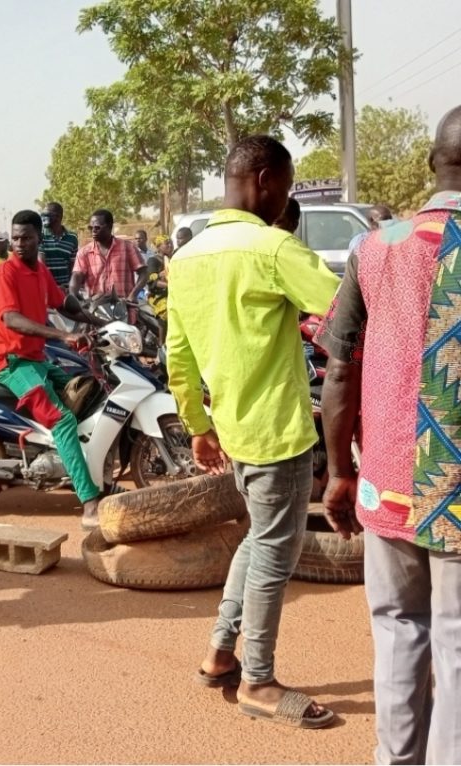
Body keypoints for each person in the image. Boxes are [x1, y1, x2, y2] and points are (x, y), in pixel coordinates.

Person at [168, 135, 341, 728]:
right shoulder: (271, 249)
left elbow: (179, 353)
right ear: (266, 180)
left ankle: (221, 654)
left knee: (256, 540)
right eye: (288, 188)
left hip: (232, 428)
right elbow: (346, 309)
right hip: (279, 431)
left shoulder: (186, 257)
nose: (285, 199)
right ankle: (259, 681)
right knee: (274, 552)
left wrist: (197, 424)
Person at [317, 106, 461, 764]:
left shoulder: (380, 239)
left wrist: (341, 472)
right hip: (455, 488)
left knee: (398, 629)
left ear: (432, 165)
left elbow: (340, 366)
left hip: (387, 478)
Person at [0, 210, 104, 529]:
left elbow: (62, 302)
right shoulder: (5, 273)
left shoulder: (39, 269)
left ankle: (81, 468)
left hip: (36, 358)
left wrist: (99, 322)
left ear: (39, 237)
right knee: (63, 419)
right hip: (11, 362)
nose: (19, 244)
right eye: (15, 238)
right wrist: (64, 334)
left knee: (87, 397)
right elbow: (11, 319)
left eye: (25, 238)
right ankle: (90, 503)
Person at [70, 209, 143, 304]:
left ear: (109, 226)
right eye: (90, 228)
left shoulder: (128, 247)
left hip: (124, 307)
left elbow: (144, 273)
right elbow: (76, 276)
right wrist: (72, 296)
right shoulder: (84, 252)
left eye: (97, 227)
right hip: (96, 309)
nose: (93, 231)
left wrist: (133, 295)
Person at [130, 236, 171, 341]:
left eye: (171, 242)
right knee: (165, 313)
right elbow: (151, 280)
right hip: (158, 295)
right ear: (158, 247)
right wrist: (170, 285)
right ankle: (162, 343)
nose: (170, 245)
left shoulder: (172, 259)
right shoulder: (153, 260)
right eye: (166, 243)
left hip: (173, 293)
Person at [39, 202, 79, 290]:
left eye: (47, 215)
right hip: (47, 290)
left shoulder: (72, 238)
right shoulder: (40, 236)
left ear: (58, 217)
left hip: (66, 290)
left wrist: (71, 288)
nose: (43, 218)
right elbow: (41, 266)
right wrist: (54, 288)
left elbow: (73, 267)